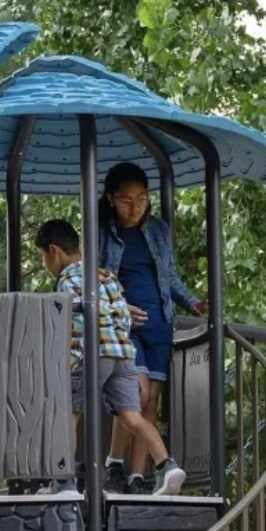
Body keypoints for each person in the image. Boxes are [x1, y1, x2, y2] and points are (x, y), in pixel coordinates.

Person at [37, 219, 186, 496]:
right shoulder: (105, 275)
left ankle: (63, 482)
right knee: (132, 416)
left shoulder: (67, 281)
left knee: (68, 414)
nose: (45, 264)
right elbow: (121, 315)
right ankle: (167, 466)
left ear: (54, 251)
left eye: (42, 257)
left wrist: (65, 362)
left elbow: (70, 325)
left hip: (90, 353)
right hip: (123, 354)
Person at [97, 162, 206, 493]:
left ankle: (136, 476)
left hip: (160, 322)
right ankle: (114, 464)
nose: (136, 207)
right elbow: (94, 279)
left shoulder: (158, 230)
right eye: (127, 200)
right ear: (111, 199)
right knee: (135, 392)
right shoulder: (102, 232)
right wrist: (117, 306)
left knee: (150, 401)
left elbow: (169, 276)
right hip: (123, 324)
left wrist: (192, 303)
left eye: (142, 198)